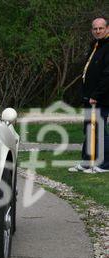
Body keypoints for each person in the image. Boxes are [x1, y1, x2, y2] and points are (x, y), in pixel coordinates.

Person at [69, 17, 109, 173]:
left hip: (100, 98)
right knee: (88, 129)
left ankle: (105, 164)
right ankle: (87, 161)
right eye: (95, 28)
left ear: (107, 28)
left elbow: (107, 75)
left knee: (100, 130)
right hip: (89, 97)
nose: (98, 31)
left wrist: (96, 95)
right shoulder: (95, 45)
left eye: (101, 28)